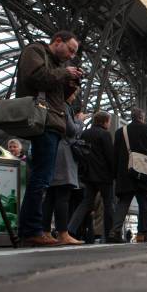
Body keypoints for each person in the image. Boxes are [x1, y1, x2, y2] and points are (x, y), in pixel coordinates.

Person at [16, 30, 83, 247]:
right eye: (70, 50)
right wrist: (65, 74)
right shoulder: (35, 51)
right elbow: (35, 78)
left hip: (52, 124)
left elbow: (55, 96)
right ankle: (31, 230)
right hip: (43, 123)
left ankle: (32, 229)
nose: (71, 56)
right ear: (57, 41)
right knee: (41, 179)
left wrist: (70, 84)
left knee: (42, 179)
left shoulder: (56, 65)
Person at [41, 88, 87, 245]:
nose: (74, 96)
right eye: (74, 93)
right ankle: (63, 233)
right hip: (63, 155)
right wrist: (80, 120)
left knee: (51, 196)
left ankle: (45, 232)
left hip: (54, 151)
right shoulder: (64, 106)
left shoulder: (55, 104)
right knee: (62, 195)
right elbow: (72, 130)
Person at [111, 108, 147, 242]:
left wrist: (115, 175)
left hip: (126, 173)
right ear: (142, 117)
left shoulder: (120, 132)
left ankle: (115, 231)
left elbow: (115, 155)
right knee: (145, 203)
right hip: (144, 172)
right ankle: (145, 233)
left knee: (123, 203)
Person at [67, 111, 118, 243]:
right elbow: (110, 156)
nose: (109, 123)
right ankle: (109, 234)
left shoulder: (85, 133)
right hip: (104, 176)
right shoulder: (105, 134)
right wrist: (114, 173)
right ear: (105, 121)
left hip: (88, 175)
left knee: (86, 203)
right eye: (109, 121)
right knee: (108, 204)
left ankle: (70, 229)